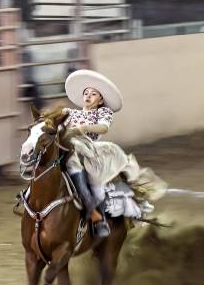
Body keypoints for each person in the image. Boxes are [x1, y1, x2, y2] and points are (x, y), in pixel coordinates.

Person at [62, 70, 165, 239]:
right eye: (86, 93)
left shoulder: (103, 113)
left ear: (100, 100)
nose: (88, 96)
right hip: (68, 149)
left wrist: (83, 128)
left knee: (93, 183)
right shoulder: (71, 113)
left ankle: (98, 218)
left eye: (93, 94)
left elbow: (104, 128)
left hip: (89, 152)